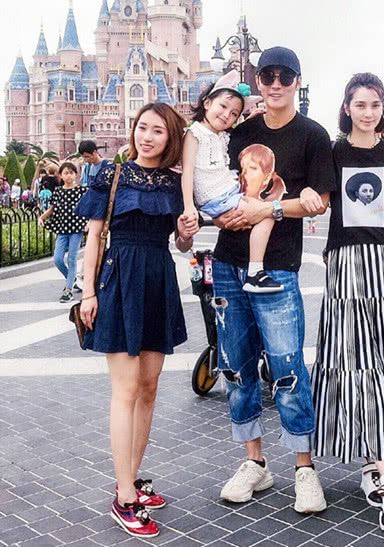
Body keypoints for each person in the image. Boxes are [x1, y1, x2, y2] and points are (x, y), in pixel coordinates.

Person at [191, 46, 335, 513]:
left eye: (284, 76)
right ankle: (254, 460)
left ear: (297, 81)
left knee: (287, 367)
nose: (275, 84)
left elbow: (320, 201)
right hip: (228, 262)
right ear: (258, 81)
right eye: (267, 76)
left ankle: (303, 467)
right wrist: (209, 216)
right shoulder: (240, 131)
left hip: (278, 266)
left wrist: (266, 209)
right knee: (236, 367)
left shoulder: (312, 134)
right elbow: (211, 179)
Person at [76, 103, 198, 539]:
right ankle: (124, 495)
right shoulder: (112, 174)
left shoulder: (174, 183)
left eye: (157, 131)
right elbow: (94, 237)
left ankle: (131, 476)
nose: (147, 136)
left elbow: (181, 244)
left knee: (149, 387)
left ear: (170, 139)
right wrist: (88, 293)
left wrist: (186, 232)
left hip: (158, 279)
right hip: (119, 278)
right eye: (142, 127)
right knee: (125, 390)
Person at [311, 73, 384, 531]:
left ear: (383, 107)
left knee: (383, 360)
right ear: (347, 107)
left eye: (375, 104)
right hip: (345, 264)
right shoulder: (333, 152)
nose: (368, 112)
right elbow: (316, 198)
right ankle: (382, 470)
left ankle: (377, 465)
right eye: (359, 104)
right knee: (354, 361)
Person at [181, 71, 284, 293]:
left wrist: (251, 118)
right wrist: (189, 207)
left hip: (227, 193)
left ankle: (254, 270)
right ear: (207, 103)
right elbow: (187, 171)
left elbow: (237, 133)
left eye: (234, 113)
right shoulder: (194, 134)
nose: (227, 115)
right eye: (223, 106)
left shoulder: (221, 135)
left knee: (262, 211)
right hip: (216, 196)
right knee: (268, 212)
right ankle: (255, 272)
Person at [38, 162, 87, 301]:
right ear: (60, 175)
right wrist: (42, 217)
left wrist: (89, 222)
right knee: (58, 259)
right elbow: (53, 208)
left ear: (76, 175)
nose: (69, 175)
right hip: (62, 229)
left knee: (72, 259)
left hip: (76, 228)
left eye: (71, 173)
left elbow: (88, 207)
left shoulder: (82, 190)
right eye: (66, 173)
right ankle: (72, 279)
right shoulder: (58, 191)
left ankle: (68, 290)